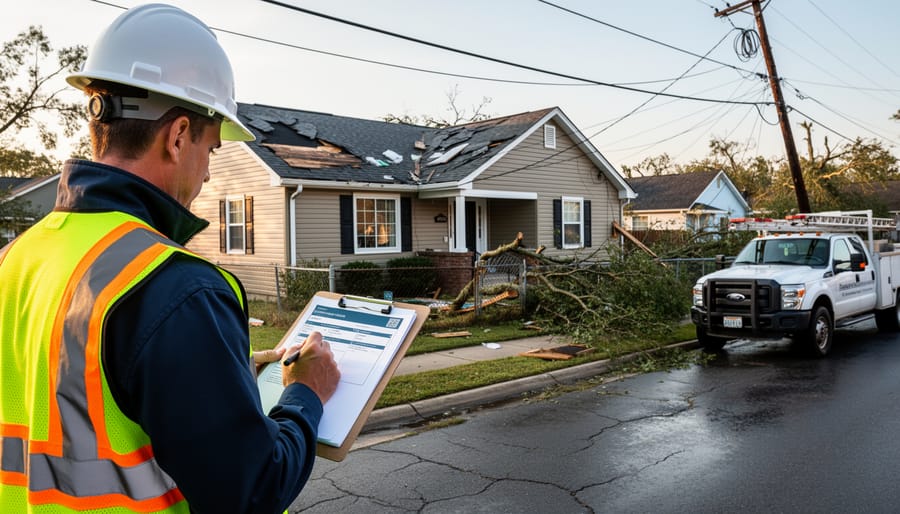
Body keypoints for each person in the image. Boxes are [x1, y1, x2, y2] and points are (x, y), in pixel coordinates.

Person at [0, 4, 340, 513]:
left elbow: (83, 396)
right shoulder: (176, 288)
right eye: (211, 149)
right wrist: (306, 394)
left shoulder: (17, 257)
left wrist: (230, 370)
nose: (206, 174)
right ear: (179, 136)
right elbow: (252, 489)